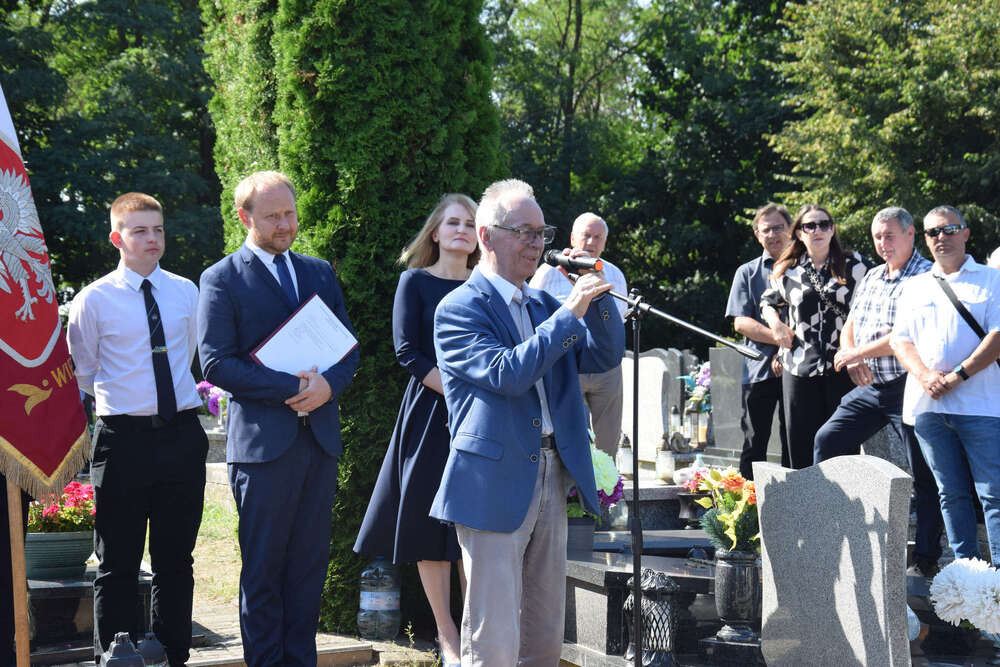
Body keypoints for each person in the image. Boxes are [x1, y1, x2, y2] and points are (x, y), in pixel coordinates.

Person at [430, 179, 625, 666]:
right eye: (524, 232)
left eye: (542, 233)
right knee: (494, 633)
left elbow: (603, 355)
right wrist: (570, 312)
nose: (537, 244)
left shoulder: (543, 306)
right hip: (493, 480)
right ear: (486, 236)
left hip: (552, 472)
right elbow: (507, 374)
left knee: (544, 630)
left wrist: (596, 290)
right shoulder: (459, 308)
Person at [197, 171, 359, 666]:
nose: (285, 224)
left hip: (319, 443)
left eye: (290, 213)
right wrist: (294, 388)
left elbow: (347, 348)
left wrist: (329, 385)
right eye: (272, 216)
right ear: (244, 217)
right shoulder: (222, 278)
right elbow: (216, 363)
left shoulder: (319, 273)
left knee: (309, 569)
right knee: (264, 571)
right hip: (263, 450)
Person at [66, 193, 208, 665]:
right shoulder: (92, 299)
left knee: (176, 558)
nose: (152, 239)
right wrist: (130, 404)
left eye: (158, 230)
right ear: (117, 238)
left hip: (181, 436)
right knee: (118, 561)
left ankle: (172, 653)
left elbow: (188, 353)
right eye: (140, 231)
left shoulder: (186, 291)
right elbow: (84, 372)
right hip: (122, 440)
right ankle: (116, 655)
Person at [353, 194, 478, 666]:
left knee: (474, 527)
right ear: (436, 233)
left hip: (482, 415)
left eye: (470, 223)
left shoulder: (486, 285)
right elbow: (407, 350)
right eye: (453, 222)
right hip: (430, 412)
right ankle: (447, 636)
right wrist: (455, 393)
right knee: (431, 527)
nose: (462, 230)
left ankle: (476, 633)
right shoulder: (415, 282)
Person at [814, 206, 944, 577]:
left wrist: (857, 353)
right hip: (873, 385)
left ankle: (926, 560)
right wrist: (851, 354)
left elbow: (905, 336)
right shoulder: (872, 274)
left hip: (910, 384)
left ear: (910, 235)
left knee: (924, 471)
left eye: (889, 236)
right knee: (828, 440)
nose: (883, 243)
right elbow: (852, 324)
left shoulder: (926, 276)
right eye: (877, 237)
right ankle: (833, 532)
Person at [891, 205, 1000, 565]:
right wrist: (924, 375)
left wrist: (958, 376)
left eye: (950, 229)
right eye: (933, 232)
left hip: (982, 406)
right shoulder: (914, 286)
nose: (942, 237)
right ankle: (968, 577)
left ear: (966, 233)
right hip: (929, 408)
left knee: (994, 495)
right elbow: (900, 340)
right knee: (950, 495)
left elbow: (998, 336)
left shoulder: (992, 280)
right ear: (925, 239)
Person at [761, 204, 873, 469]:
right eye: (810, 226)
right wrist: (776, 325)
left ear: (832, 230)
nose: (817, 230)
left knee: (841, 445)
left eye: (824, 224)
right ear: (799, 233)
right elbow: (767, 302)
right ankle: (804, 496)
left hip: (842, 367)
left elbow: (874, 307)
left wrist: (862, 352)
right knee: (800, 446)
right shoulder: (787, 270)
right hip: (799, 367)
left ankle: (844, 497)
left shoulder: (857, 266)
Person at [529, 212, 627, 456]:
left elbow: (618, 320)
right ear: (573, 238)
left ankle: (607, 479)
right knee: (573, 438)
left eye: (598, 237)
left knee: (608, 441)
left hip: (606, 367)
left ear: (605, 242)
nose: (591, 242)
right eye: (586, 235)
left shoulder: (614, 274)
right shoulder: (549, 272)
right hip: (566, 362)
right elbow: (533, 315)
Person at [725, 203, 793, 479]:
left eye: (778, 228)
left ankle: (797, 499)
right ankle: (749, 500)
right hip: (758, 368)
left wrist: (786, 351)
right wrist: (781, 342)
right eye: (766, 230)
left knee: (795, 441)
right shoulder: (747, 272)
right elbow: (741, 322)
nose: (773, 234)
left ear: (790, 230)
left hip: (800, 369)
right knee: (754, 442)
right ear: (757, 235)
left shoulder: (806, 268)